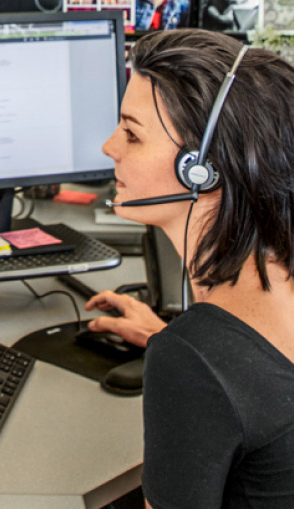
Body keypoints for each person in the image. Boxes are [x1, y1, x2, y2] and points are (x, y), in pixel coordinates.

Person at [85, 29, 294, 507]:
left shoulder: (195, 359)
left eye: (132, 133)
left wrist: (186, 360)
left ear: (201, 169)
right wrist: (170, 338)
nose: (108, 146)